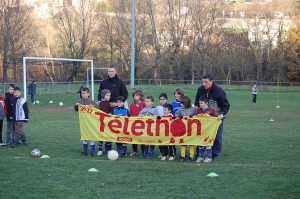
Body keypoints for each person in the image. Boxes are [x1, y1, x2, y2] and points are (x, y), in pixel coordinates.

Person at [194, 74, 230, 161]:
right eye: (202, 82)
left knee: (217, 136)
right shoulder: (200, 89)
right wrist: (195, 106)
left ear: (211, 81)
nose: (204, 84)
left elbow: (226, 105)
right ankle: (199, 154)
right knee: (201, 135)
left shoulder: (219, 91)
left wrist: (222, 114)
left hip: (216, 118)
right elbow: (197, 99)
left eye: (206, 82)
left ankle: (214, 155)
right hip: (203, 118)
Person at [74, 87, 98, 157]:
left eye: (85, 93)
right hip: (83, 122)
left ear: (88, 94)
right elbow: (76, 109)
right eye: (82, 93)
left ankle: (92, 152)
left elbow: (98, 109)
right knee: (84, 136)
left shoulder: (91, 101)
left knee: (91, 137)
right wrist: (76, 105)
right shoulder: (80, 102)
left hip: (91, 122)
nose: (83, 95)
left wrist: (93, 107)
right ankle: (85, 151)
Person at [175, 96, 196, 162]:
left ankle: (191, 156)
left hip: (191, 130)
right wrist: (180, 117)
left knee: (191, 143)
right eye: (181, 103)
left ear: (187, 103)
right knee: (183, 143)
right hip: (183, 129)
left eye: (182, 103)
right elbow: (176, 114)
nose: (181, 104)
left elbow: (196, 116)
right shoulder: (181, 109)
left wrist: (190, 117)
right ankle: (183, 156)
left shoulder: (192, 109)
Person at [196, 96, 215, 163]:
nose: (200, 104)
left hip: (209, 130)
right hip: (201, 130)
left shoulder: (210, 110)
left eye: (202, 103)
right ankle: (200, 156)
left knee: (208, 143)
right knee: (200, 143)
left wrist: (209, 116)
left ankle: (209, 157)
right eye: (200, 103)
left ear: (206, 103)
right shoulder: (199, 110)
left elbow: (214, 118)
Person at [129, 89, 146, 156]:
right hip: (134, 124)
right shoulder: (132, 105)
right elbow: (130, 114)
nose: (135, 97)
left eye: (137, 95)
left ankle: (144, 151)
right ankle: (134, 150)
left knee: (142, 138)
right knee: (134, 137)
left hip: (142, 124)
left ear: (141, 96)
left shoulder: (144, 104)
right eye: (134, 96)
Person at [97, 89, 114, 156]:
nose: (108, 97)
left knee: (108, 136)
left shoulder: (110, 104)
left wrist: (110, 113)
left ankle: (108, 150)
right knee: (101, 136)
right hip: (101, 123)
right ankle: (100, 150)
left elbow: (112, 111)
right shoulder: (100, 103)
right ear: (103, 96)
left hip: (108, 123)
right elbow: (96, 111)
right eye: (107, 95)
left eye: (109, 95)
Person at [155, 93, 168, 159]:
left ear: (166, 100)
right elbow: (155, 116)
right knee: (160, 140)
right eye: (161, 99)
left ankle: (167, 153)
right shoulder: (157, 107)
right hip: (160, 127)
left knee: (166, 140)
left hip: (167, 127)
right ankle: (161, 152)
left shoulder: (169, 106)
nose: (162, 101)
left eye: (164, 99)